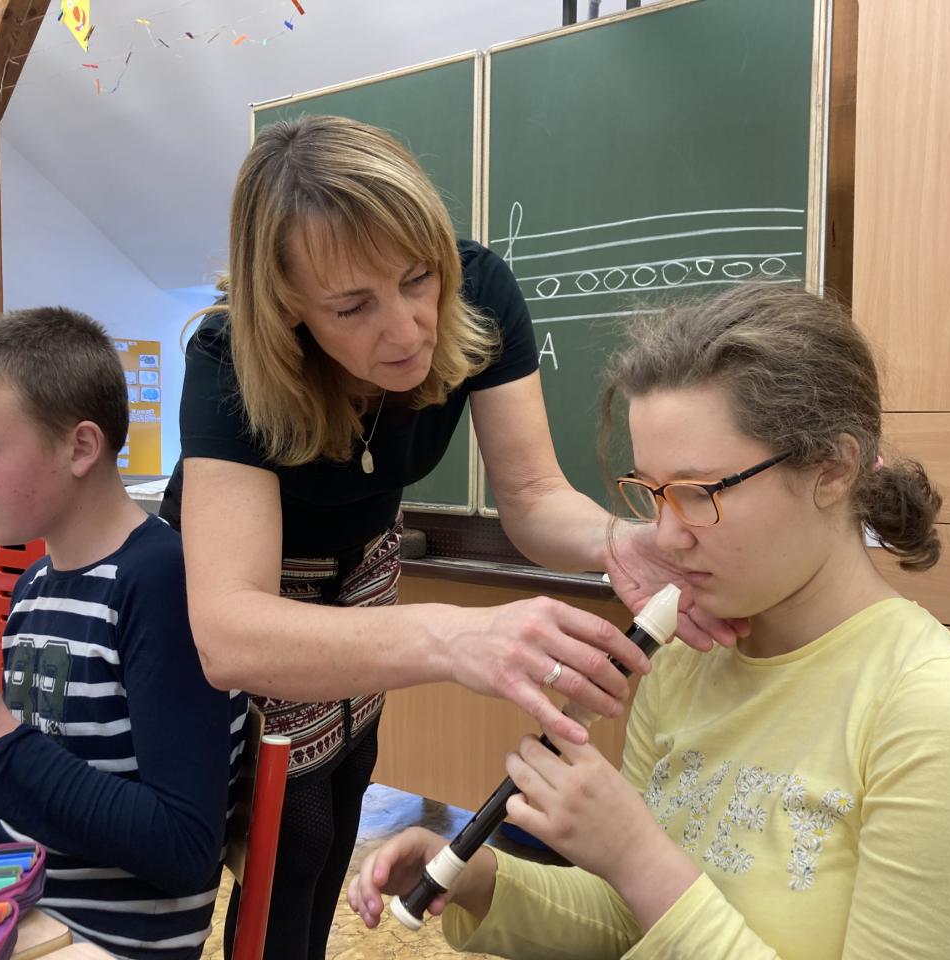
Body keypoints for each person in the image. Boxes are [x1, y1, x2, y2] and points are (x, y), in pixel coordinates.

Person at [158, 114, 740, 960]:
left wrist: (621, 541)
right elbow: (231, 632)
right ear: (286, 305)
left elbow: (533, 497)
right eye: (352, 306)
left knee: (342, 797)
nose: (406, 331)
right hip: (250, 593)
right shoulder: (228, 358)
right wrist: (451, 635)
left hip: (361, 573)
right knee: (289, 835)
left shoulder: (480, 290)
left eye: (417, 279)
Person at [348, 284, 950, 959]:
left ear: (833, 469)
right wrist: (480, 880)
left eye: (697, 492)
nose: (666, 536)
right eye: (652, 492)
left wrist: (635, 855)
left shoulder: (944, 717)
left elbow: (653, 890)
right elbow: (636, 925)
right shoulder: (686, 661)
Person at [0, 307, 248, 960]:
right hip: (20, 917)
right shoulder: (37, 586)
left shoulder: (162, 584)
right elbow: (28, 819)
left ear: (80, 447)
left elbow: (182, 849)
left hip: (101, 945)